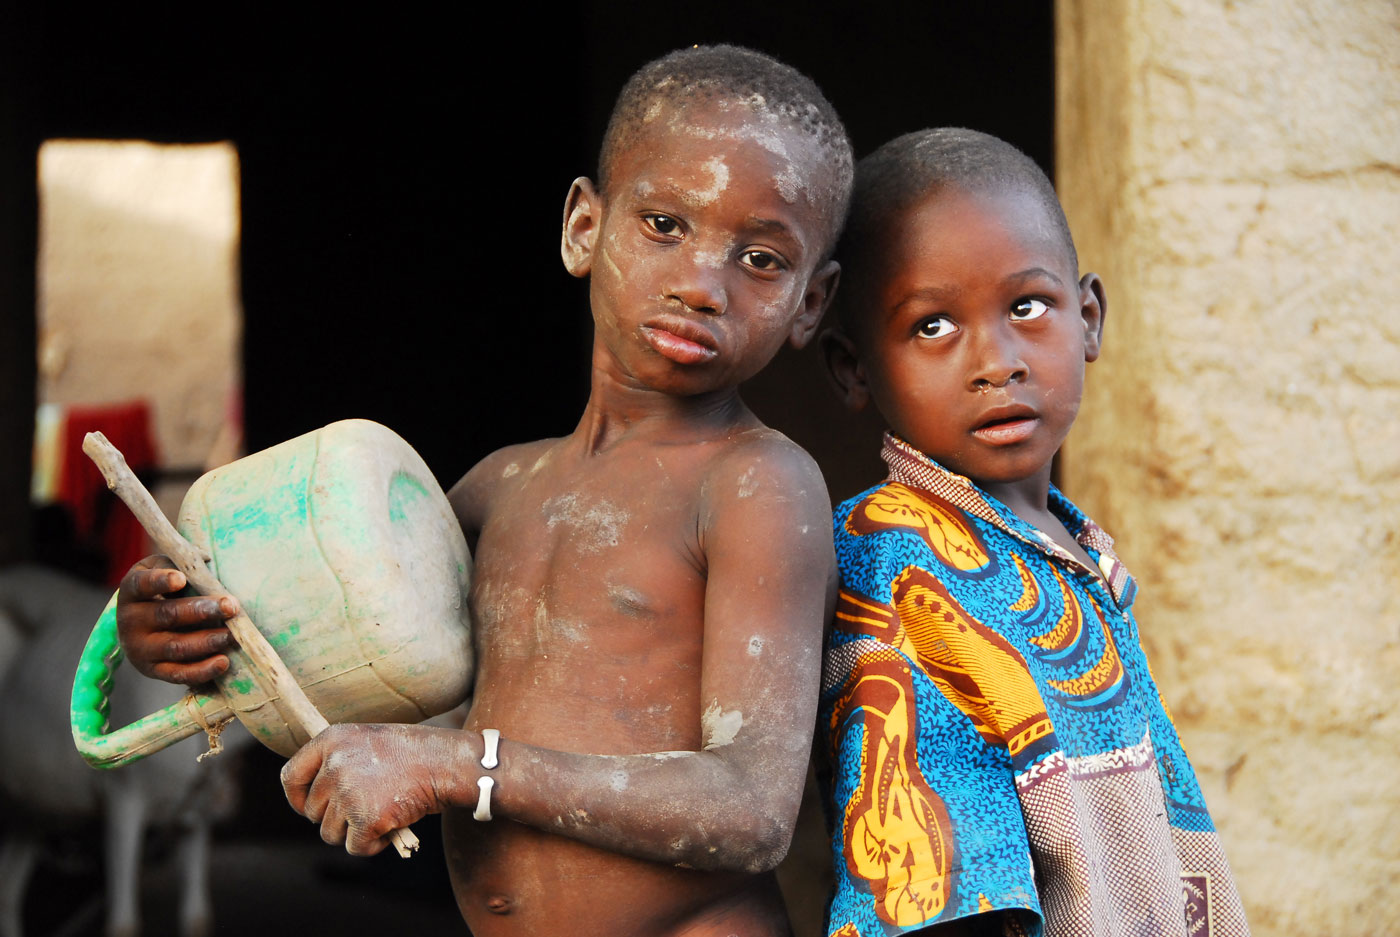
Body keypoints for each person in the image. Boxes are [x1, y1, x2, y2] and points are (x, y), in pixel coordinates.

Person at [113, 45, 853, 937]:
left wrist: (461, 768)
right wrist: (178, 632)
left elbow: (751, 809)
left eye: (762, 260)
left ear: (811, 303)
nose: (703, 284)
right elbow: (315, 655)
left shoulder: (757, 485)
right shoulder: (499, 488)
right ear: (585, 227)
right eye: (664, 225)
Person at [817, 129, 1249, 937]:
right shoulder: (894, 554)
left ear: (1088, 318)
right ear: (854, 368)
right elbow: (938, 888)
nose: (997, 360)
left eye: (1026, 307)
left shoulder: (1071, 549)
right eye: (934, 326)